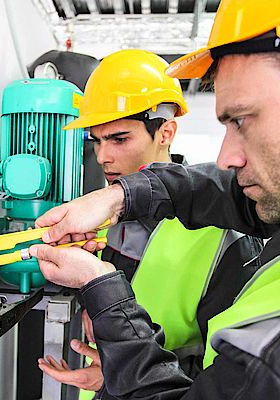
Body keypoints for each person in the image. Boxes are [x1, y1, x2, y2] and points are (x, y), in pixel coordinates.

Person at [30, 1, 280, 398]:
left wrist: (118, 351)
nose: (103, 156)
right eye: (96, 141)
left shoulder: (228, 238)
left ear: (165, 132)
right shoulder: (101, 213)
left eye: (119, 138)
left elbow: (217, 374)